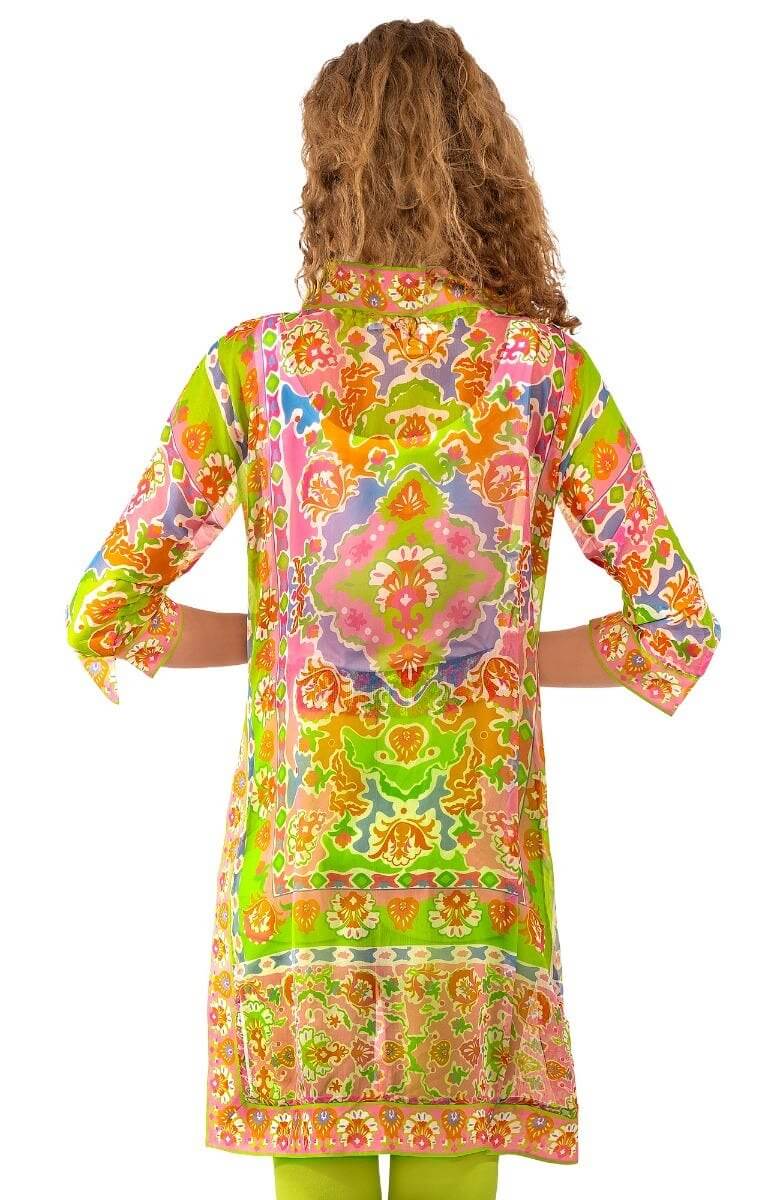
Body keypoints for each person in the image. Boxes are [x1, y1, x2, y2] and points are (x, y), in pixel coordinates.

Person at [64, 18, 721, 1200]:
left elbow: (108, 610)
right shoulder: (543, 374)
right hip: (479, 894)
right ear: (489, 170)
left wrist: (298, 640)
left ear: (327, 176)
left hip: (301, 895)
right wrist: (488, 654)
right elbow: (676, 622)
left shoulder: (254, 370)